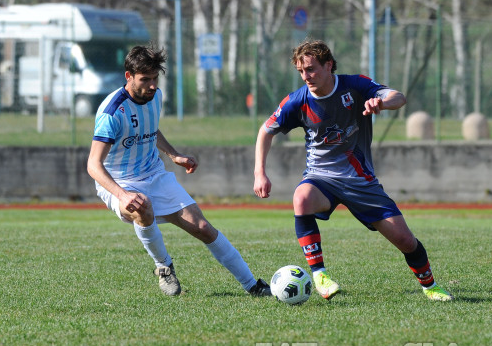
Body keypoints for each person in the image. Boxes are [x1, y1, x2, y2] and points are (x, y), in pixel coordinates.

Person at [254, 39, 453, 301]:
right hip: (321, 177)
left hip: (360, 181)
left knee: (405, 241)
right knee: (301, 198)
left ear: (328, 65)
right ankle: (319, 274)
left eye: (311, 69)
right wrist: (260, 173)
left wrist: (380, 103)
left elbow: (398, 97)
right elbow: (266, 131)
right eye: (301, 71)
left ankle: (430, 285)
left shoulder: (354, 85)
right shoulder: (297, 101)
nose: (306, 76)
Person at [87, 45, 271, 297]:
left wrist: (174, 155)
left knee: (203, 227)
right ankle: (164, 266)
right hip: (120, 181)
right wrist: (122, 195)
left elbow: (150, 129)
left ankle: (253, 286)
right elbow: (93, 165)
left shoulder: (155, 97)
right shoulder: (112, 113)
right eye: (145, 80)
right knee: (142, 206)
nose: (152, 86)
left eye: (155, 78)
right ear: (128, 77)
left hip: (154, 174)